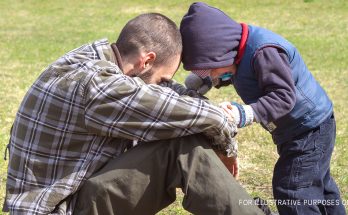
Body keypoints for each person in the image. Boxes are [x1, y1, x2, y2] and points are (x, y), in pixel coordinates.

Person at [3, 12, 265, 215]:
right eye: (163, 79)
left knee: (179, 131)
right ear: (147, 60)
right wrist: (226, 148)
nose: (166, 85)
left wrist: (183, 97)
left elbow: (171, 97)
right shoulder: (100, 87)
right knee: (181, 146)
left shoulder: (92, 59)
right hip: (60, 209)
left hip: (66, 198)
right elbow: (210, 117)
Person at [181, 2, 346, 215]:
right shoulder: (237, 52)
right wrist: (210, 81)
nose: (212, 75)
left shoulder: (264, 52)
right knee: (317, 186)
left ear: (222, 52)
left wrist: (245, 113)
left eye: (211, 69)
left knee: (293, 190)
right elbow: (239, 73)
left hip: (309, 128)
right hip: (299, 129)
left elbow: (284, 96)